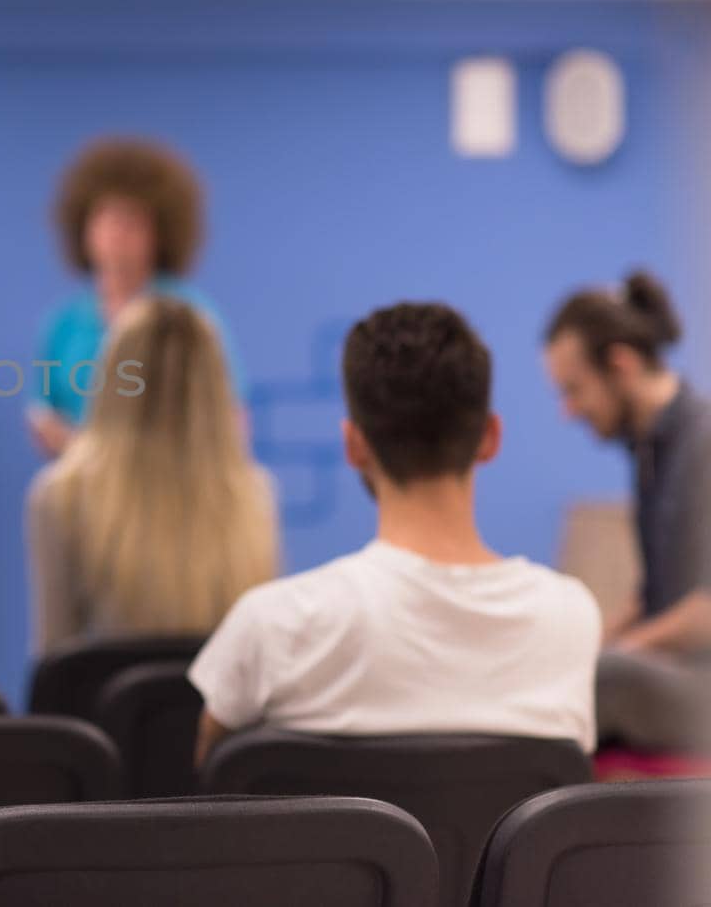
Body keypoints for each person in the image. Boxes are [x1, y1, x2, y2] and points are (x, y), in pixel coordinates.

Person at [190, 302, 601, 767]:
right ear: (490, 437)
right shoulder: (570, 618)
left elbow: (211, 785)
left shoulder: (273, 625)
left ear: (353, 445)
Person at [27, 295, 278, 654]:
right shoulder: (253, 494)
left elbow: (54, 660)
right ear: (214, 387)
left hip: (103, 710)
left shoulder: (60, 497)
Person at [543, 270, 711, 752]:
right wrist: (580, 645)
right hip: (681, 675)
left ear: (621, 364)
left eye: (573, 389)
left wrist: (614, 653)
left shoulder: (702, 440)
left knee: (604, 677)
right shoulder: (650, 450)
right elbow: (656, 594)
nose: (568, 410)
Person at [29, 136, 244, 458]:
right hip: (86, 494)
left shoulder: (189, 316)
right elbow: (43, 414)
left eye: (131, 220)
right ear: (84, 227)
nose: (116, 233)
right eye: (105, 217)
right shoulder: (65, 323)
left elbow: (231, 418)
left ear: (159, 233)